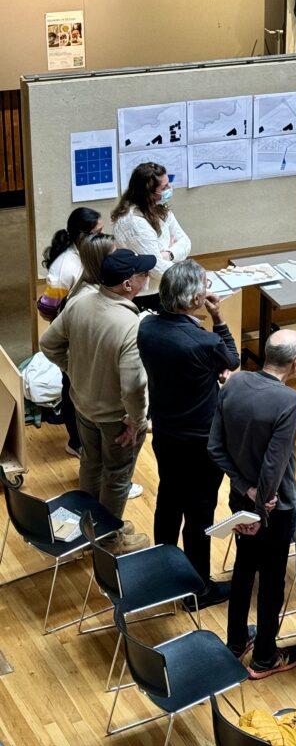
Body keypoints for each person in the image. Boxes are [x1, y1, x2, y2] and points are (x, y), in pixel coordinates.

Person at [138, 260, 240, 609]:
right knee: (199, 513)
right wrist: (220, 318)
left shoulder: (147, 328)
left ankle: (164, 572)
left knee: (168, 501)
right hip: (200, 439)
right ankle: (197, 589)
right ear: (195, 298)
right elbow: (232, 359)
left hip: (166, 432)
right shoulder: (202, 341)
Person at [39, 249, 155, 554]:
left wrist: (73, 369)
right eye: (143, 273)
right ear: (128, 285)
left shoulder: (80, 301)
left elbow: (48, 343)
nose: (147, 277)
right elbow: (134, 384)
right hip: (116, 417)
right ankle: (108, 539)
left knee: (90, 464)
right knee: (117, 478)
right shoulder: (131, 325)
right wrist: (137, 421)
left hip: (83, 405)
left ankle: (87, 528)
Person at [208, 329, 296, 679]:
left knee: (244, 568)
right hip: (273, 510)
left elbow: (215, 447)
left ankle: (235, 642)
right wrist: (261, 505)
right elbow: (274, 465)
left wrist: (245, 491)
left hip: (241, 499)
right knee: (272, 580)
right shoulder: (289, 402)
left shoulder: (233, 384)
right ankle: (265, 656)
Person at [38, 208, 104, 458]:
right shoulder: (65, 266)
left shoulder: (90, 253)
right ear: (81, 236)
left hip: (90, 328)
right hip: (71, 334)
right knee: (71, 386)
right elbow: (47, 308)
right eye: (97, 233)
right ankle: (76, 442)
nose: (102, 236)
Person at [111, 162, 192, 312]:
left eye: (169, 184)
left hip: (162, 289)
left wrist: (168, 254)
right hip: (143, 296)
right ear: (148, 192)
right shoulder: (134, 222)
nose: (169, 189)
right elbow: (157, 269)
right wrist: (184, 271)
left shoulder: (160, 208)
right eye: (164, 188)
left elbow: (185, 242)